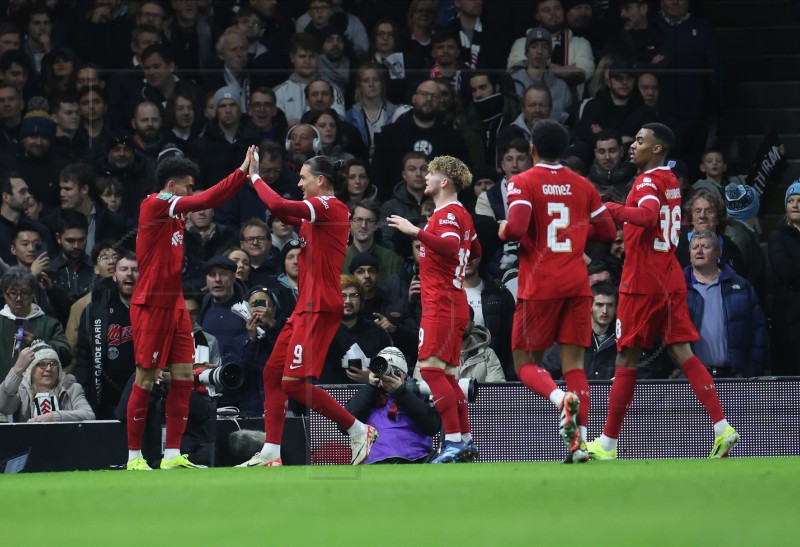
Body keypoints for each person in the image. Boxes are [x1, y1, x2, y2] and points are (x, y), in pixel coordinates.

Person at [587, 123, 740, 461]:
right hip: (669, 273)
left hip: (642, 281)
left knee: (626, 356)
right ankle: (721, 427)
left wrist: (607, 208)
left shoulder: (646, 181)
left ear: (657, 149)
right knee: (681, 351)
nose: (632, 145)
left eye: (640, 141)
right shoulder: (670, 179)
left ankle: (607, 444)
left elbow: (646, 215)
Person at [237, 153, 378, 467]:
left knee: (293, 383)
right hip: (305, 306)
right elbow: (287, 215)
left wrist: (256, 177)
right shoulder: (317, 214)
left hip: (319, 307)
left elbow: (279, 207)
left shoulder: (329, 205)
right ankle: (272, 453)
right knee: (273, 374)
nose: (299, 183)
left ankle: (357, 429)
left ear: (321, 181)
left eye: (303, 178)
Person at [124, 147, 253, 471]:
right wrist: (241, 173)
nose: (192, 192)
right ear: (173, 184)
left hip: (175, 305)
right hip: (151, 304)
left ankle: (171, 456)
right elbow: (205, 200)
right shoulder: (155, 204)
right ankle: (134, 457)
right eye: (188, 185)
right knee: (146, 378)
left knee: (184, 378)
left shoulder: (177, 216)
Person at [499, 119, 616, 463]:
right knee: (575, 366)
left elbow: (518, 227)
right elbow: (608, 230)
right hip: (577, 285)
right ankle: (578, 443)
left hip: (540, 286)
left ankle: (558, 400)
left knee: (524, 364)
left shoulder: (521, 182)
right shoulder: (582, 185)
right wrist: (576, 234)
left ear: (532, 149)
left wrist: (504, 230)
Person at [387, 155, 481, 464]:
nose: (425, 177)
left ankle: (453, 441)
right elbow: (474, 250)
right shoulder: (462, 214)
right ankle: (465, 439)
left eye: (431, 173)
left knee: (429, 371)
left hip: (441, 304)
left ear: (444, 181)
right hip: (455, 302)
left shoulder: (447, 215)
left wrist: (415, 231)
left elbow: (452, 247)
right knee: (449, 377)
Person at [684, 230, 766, 378]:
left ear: (718, 253)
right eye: (695, 247)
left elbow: (758, 332)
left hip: (733, 377)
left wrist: (750, 371)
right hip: (690, 379)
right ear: (689, 254)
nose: (699, 251)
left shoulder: (741, 287)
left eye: (705, 247)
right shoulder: (677, 289)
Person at [345, 347, 442, 464]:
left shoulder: (417, 396)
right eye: (384, 371)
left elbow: (432, 427)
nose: (388, 376)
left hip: (414, 461)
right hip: (374, 464)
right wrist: (371, 387)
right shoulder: (368, 397)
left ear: (405, 376)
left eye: (395, 371)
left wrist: (400, 392)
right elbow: (344, 426)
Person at [75, 251, 139, 419]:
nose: (129, 274)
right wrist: (84, 394)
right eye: (124, 269)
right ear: (114, 275)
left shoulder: (154, 312)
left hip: (143, 396)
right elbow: (83, 358)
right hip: (105, 400)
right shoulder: (95, 311)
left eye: (135, 269)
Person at [318, 274, 392, 384]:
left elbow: (391, 374)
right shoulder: (321, 332)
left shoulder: (377, 333)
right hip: (328, 397)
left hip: (369, 397)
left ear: (361, 300)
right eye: (342, 295)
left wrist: (371, 378)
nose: (347, 301)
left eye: (353, 295)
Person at [0, 340, 95, 422]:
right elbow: (3, 407)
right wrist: (17, 370)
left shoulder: (72, 388)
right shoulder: (21, 389)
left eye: (53, 363)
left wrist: (55, 416)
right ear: (31, 370)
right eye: (42, 364)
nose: (49, 368)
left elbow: (89, 415)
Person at [767, 180, 800, 376]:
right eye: (791, 200)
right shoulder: (778, 235)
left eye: (799, 200)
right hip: (789, 316)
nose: (795, 205)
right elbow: (785, 271)